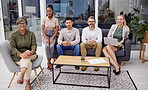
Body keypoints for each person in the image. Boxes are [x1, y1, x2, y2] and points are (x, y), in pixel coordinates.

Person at [10, 17, 37, 90]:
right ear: (17, 25)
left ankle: (21, 75)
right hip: (18, 56)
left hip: (31, 54)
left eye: (24, 23)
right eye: (20, 23)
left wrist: (31, 52)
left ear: (26, 24)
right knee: (28, 62)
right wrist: (20, 54)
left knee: (27, 57)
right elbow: (13, 48)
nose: (22, 25)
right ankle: (27, 84)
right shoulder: (13, 35)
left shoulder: (31, 34)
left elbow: (34, 45)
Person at [42, 4, 59, 71]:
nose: (48, 13)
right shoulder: (44, 19)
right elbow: (42, 30)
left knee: (51, 46)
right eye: (47, 11)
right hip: (45, 34)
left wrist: (52, 38)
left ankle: (50, 60)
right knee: (47, 46)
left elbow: (56, 31)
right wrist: (46, 38)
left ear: (52, 11)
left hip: (52, 34)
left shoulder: (55, 20)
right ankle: (49, 62)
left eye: (50, 11)